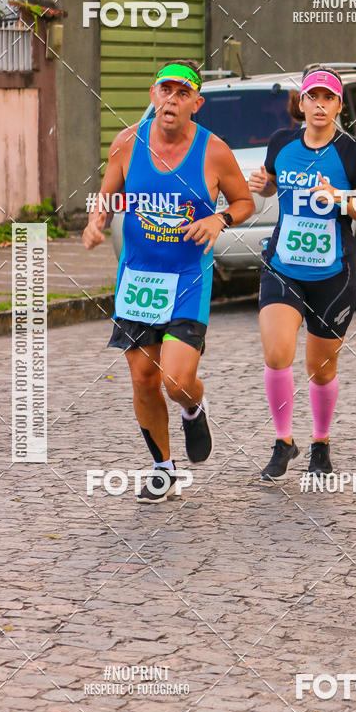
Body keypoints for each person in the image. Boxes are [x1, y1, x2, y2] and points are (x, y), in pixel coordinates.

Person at [83, 59, 254, 503]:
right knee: (143, 377)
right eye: (165, 90)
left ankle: (194, 407)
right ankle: (163, 468)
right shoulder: (126, 144)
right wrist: (96, 219)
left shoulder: (214, 151)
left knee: (175, 381)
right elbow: (107, 193)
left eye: (182, 93)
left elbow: (244, 201)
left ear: (196, 103)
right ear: (153, 95)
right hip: (137, 278)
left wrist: (220, 219)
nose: (171, 99)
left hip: (186, 279)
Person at [249, 64, 356, 482]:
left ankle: (320, 442)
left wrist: (339, 196)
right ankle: (284, 441)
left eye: (328, 98)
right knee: (276, 352)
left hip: (332, 272)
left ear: (339, 105)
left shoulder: (352, 152)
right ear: (301, 103)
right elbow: (274, 183)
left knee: (320, 369)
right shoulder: (281, 142)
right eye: (313, 97)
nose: (319, 105)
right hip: (283, 264)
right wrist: (263, 185)